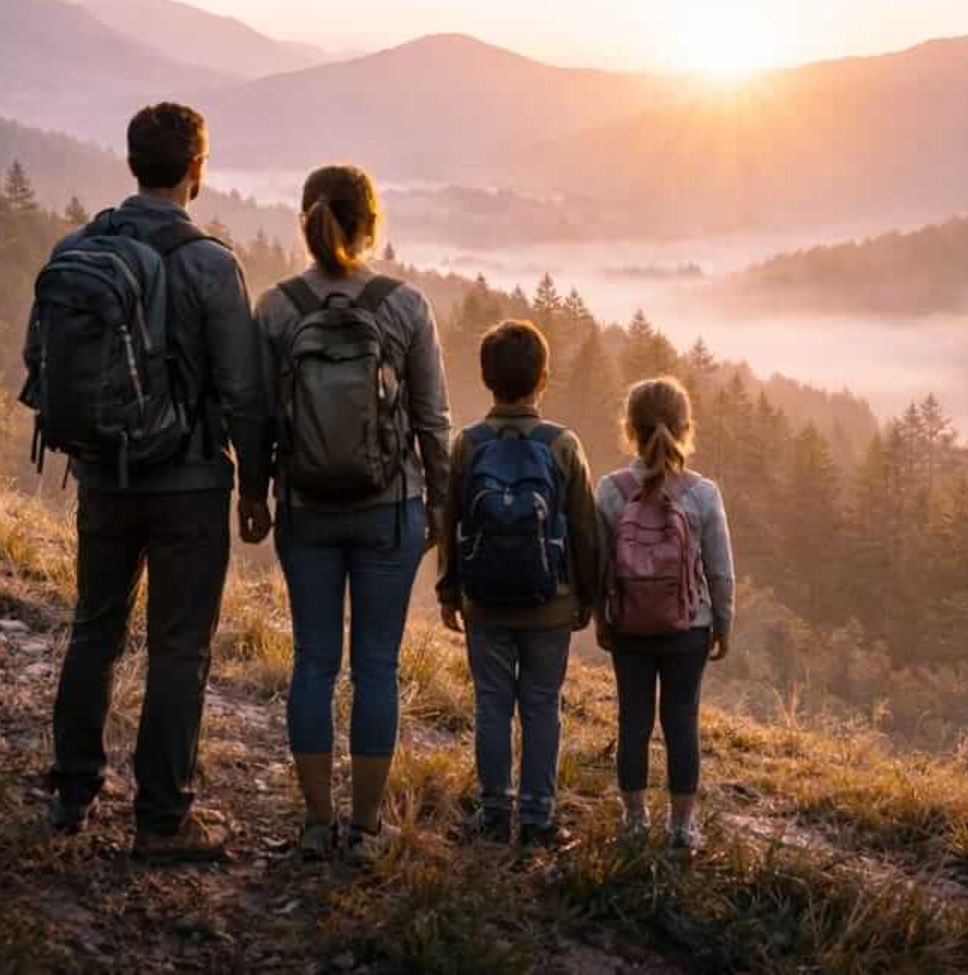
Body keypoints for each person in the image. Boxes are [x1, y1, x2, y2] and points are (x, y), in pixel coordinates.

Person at [31, 102, 268, 862]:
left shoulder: (79, 246)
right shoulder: (210, 263)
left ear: (133, 162)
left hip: (100, 472)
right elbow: (240, 390)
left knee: (94, 625)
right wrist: (257, 486)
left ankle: (71, 788)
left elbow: (44, 363)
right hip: (189, 483)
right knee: (177, 647)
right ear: (197, 169)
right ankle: (162, 818)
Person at [249, 164, 451, 861]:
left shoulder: (276, 308)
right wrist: (442, 509)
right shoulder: (406, 306)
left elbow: (259, 417)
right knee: (375, 667)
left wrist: (253, 491)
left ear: (306, 219)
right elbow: (433, 421)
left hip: (303, 507)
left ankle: (313, 823)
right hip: (389, 509)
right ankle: (365, 830)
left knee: (312, 662)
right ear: (371, 223)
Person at [435, 320, 601, 850]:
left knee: (490, 705)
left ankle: (491, 812)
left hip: (484, 601)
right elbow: (584, 528)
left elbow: (450, 520)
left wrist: (448, 590)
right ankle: (537, 818)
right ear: (543, 379)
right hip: (550, 602)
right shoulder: (563, 445)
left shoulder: (468, 443)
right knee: (541, 705)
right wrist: (587, 596)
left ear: (486, 378)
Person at [596, 376, 734, 853]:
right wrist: (723, 623)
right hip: (688, 627)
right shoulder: (703, 493)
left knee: (633, 720)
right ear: (686, 428)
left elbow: (599, 567)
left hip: (629, 626)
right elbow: (720, 568)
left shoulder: (610, 490)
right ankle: (681, 828)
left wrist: (602, 619)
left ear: (629, 429)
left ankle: (634, 822)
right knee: (681, 721)